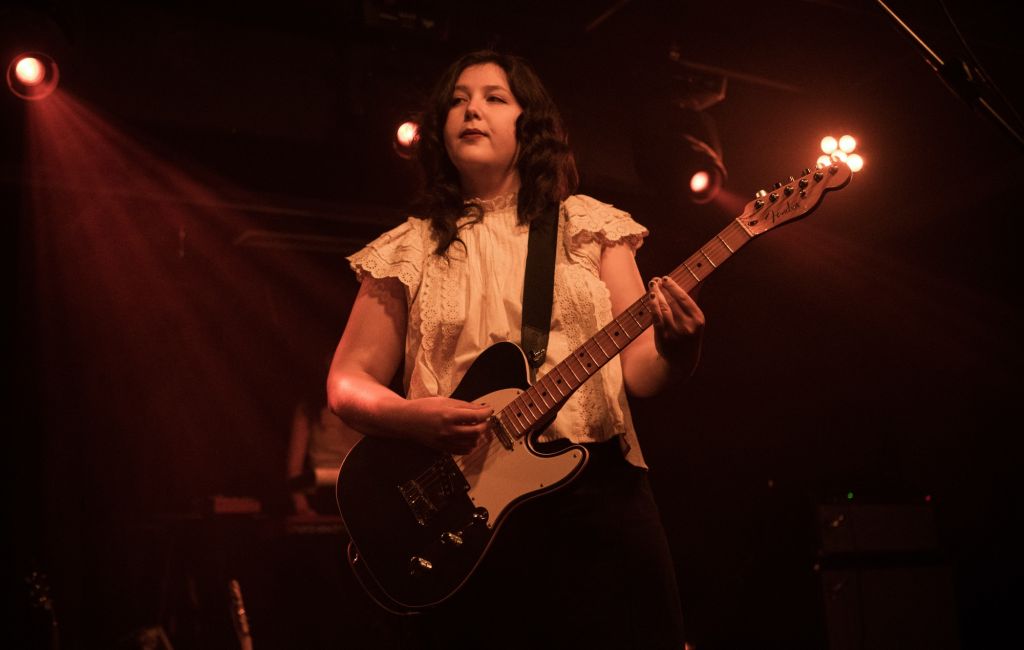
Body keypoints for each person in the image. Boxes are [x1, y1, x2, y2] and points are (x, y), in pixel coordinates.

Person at [327, 49, 704, 649]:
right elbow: (346, 382)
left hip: (599, 495)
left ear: (530, 124)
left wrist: (680, 349)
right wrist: (410, 417)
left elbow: (641, 375)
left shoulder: (592, 226)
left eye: (493, 98)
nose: (470, 108)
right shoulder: (407, 248)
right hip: (467, 505)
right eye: (456, 99)